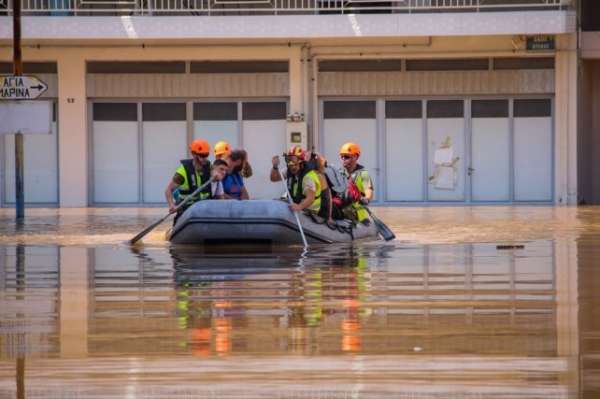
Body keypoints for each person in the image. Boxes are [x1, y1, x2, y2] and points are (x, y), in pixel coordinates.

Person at [164, 140, 226, 223]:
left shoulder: (208, 166)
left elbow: (214, 172)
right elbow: (168, 190)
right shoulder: (183, 171)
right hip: (187, 210)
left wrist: (217, 175)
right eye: (201, 155)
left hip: (204, 210)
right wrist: (172, 205)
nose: (204, 158)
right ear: (193, 154)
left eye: (206, 155)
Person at [270, 146, 323, 215]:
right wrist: (275, 167)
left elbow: (310, 198)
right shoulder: (289, 170)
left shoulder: (308, 177)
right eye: (290, 163)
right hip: (298, 206)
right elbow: (274, 178)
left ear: (301, 164)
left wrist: (299, 207)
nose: (293, 167)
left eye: (295, 164)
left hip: (310, 211)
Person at [339, 142, 373, 224]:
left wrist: (366, 199)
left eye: (347, 157)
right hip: (342, 212)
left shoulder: (363, 174)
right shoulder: (339, 173)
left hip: (358, 216)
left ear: (356, 157)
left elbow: (369, 191)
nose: (343, 159)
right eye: (342, 157)